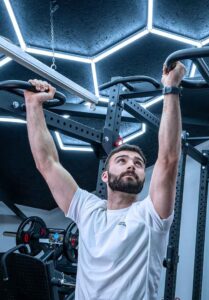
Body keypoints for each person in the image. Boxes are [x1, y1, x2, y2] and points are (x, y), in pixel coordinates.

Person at [24, 61, 186, 300]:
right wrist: (33, 105)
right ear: (105, 176)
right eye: (122, 160)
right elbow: (47, 164)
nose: (132, 164)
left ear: (143, 177)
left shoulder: (151, 216)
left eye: (138, 163)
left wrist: (171, 88)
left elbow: (169, 158)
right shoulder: (88, 209)